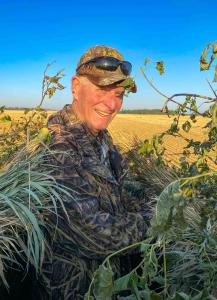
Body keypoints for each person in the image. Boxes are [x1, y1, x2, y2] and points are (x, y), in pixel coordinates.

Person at [42, 45, 149, 300]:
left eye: (120, 93)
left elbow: (131, 188)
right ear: (76, 86)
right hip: (77, 291)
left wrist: (152, 204)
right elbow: (91, 235)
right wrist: (158, 221)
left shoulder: (101, 138)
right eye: (102, 88)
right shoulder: (56, 145)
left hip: (111, 283)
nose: (112, 104)